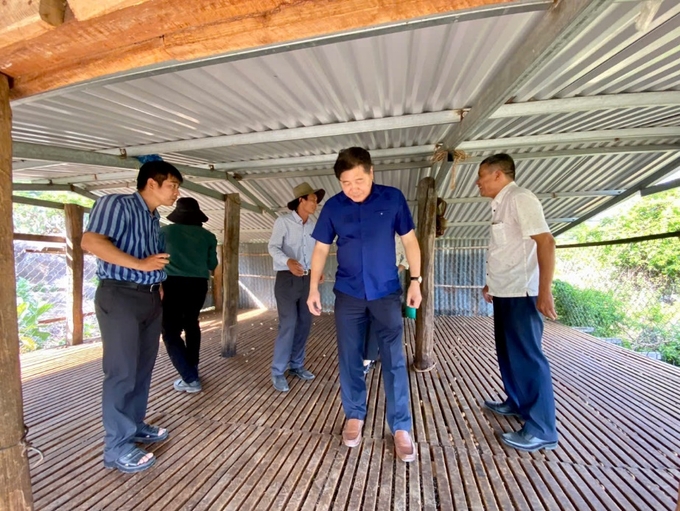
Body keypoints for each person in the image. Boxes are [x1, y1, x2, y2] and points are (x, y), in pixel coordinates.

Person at [307, 147, 422, 463]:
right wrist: (313, 287)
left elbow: (410, 241)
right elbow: (319, 249)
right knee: (349, 356)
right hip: (348, 294)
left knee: (394, 358)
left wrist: (416, 280)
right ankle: (354, 414)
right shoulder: (333, 207)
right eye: (346, 182)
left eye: (359, 179)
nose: (353, 187)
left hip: (386, 293)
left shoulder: (392, 199)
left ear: (371, 173)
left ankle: (400, 426)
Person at [82, 160, 182, 473]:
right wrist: (140, 266)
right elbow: (91, 242)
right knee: (121, 371)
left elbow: (154, 261)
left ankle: (135, 425)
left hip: (149, 297)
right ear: (152, 183)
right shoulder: (116, 204)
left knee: (141, 369)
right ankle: (116, 447)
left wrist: (157, 283)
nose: (176, 193)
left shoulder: (154, 219)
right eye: (172, 186)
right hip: (120, 295)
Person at [477, 153, 559, 452]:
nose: (478, 182)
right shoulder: (501, 204)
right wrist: (492, 283)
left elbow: (546, 242)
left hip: (523, 293)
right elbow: (508, 249)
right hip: (505, 290)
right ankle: (517, 402)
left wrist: (544, 290)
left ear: (498, 175)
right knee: (509, 354)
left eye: (482, 175)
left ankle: (542, 429)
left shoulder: (521, 198)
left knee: (527, 356)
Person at [268, 182, 325, 392]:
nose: (315, 204)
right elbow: (272, 247)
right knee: (289, 323)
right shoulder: (283, 222)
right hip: (286, 279)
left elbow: (317, 252)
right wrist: (288, 262)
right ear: (301, 200)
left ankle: (296, 365)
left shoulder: (313, 226)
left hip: (308, 280)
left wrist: (317, 273)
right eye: (312, 199)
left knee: (304, 323)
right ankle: (277, 371)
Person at [161, 197, 218, 394]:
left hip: (171, 284)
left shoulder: (164, 232)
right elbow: (212, 265)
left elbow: (153, 258)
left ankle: (190, 377)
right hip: (198, 285)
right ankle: (192, 369)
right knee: (191, 324)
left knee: (170, 332)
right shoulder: (209, 237)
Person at [363, 234, 409, 375]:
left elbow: (407, 259)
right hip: (371, 280)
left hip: (389, 282)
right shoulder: (373, 233)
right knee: (371, 319)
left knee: (389, 321)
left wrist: (395, 270)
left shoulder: (401, 236)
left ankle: (380, 355)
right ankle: (368, 358)